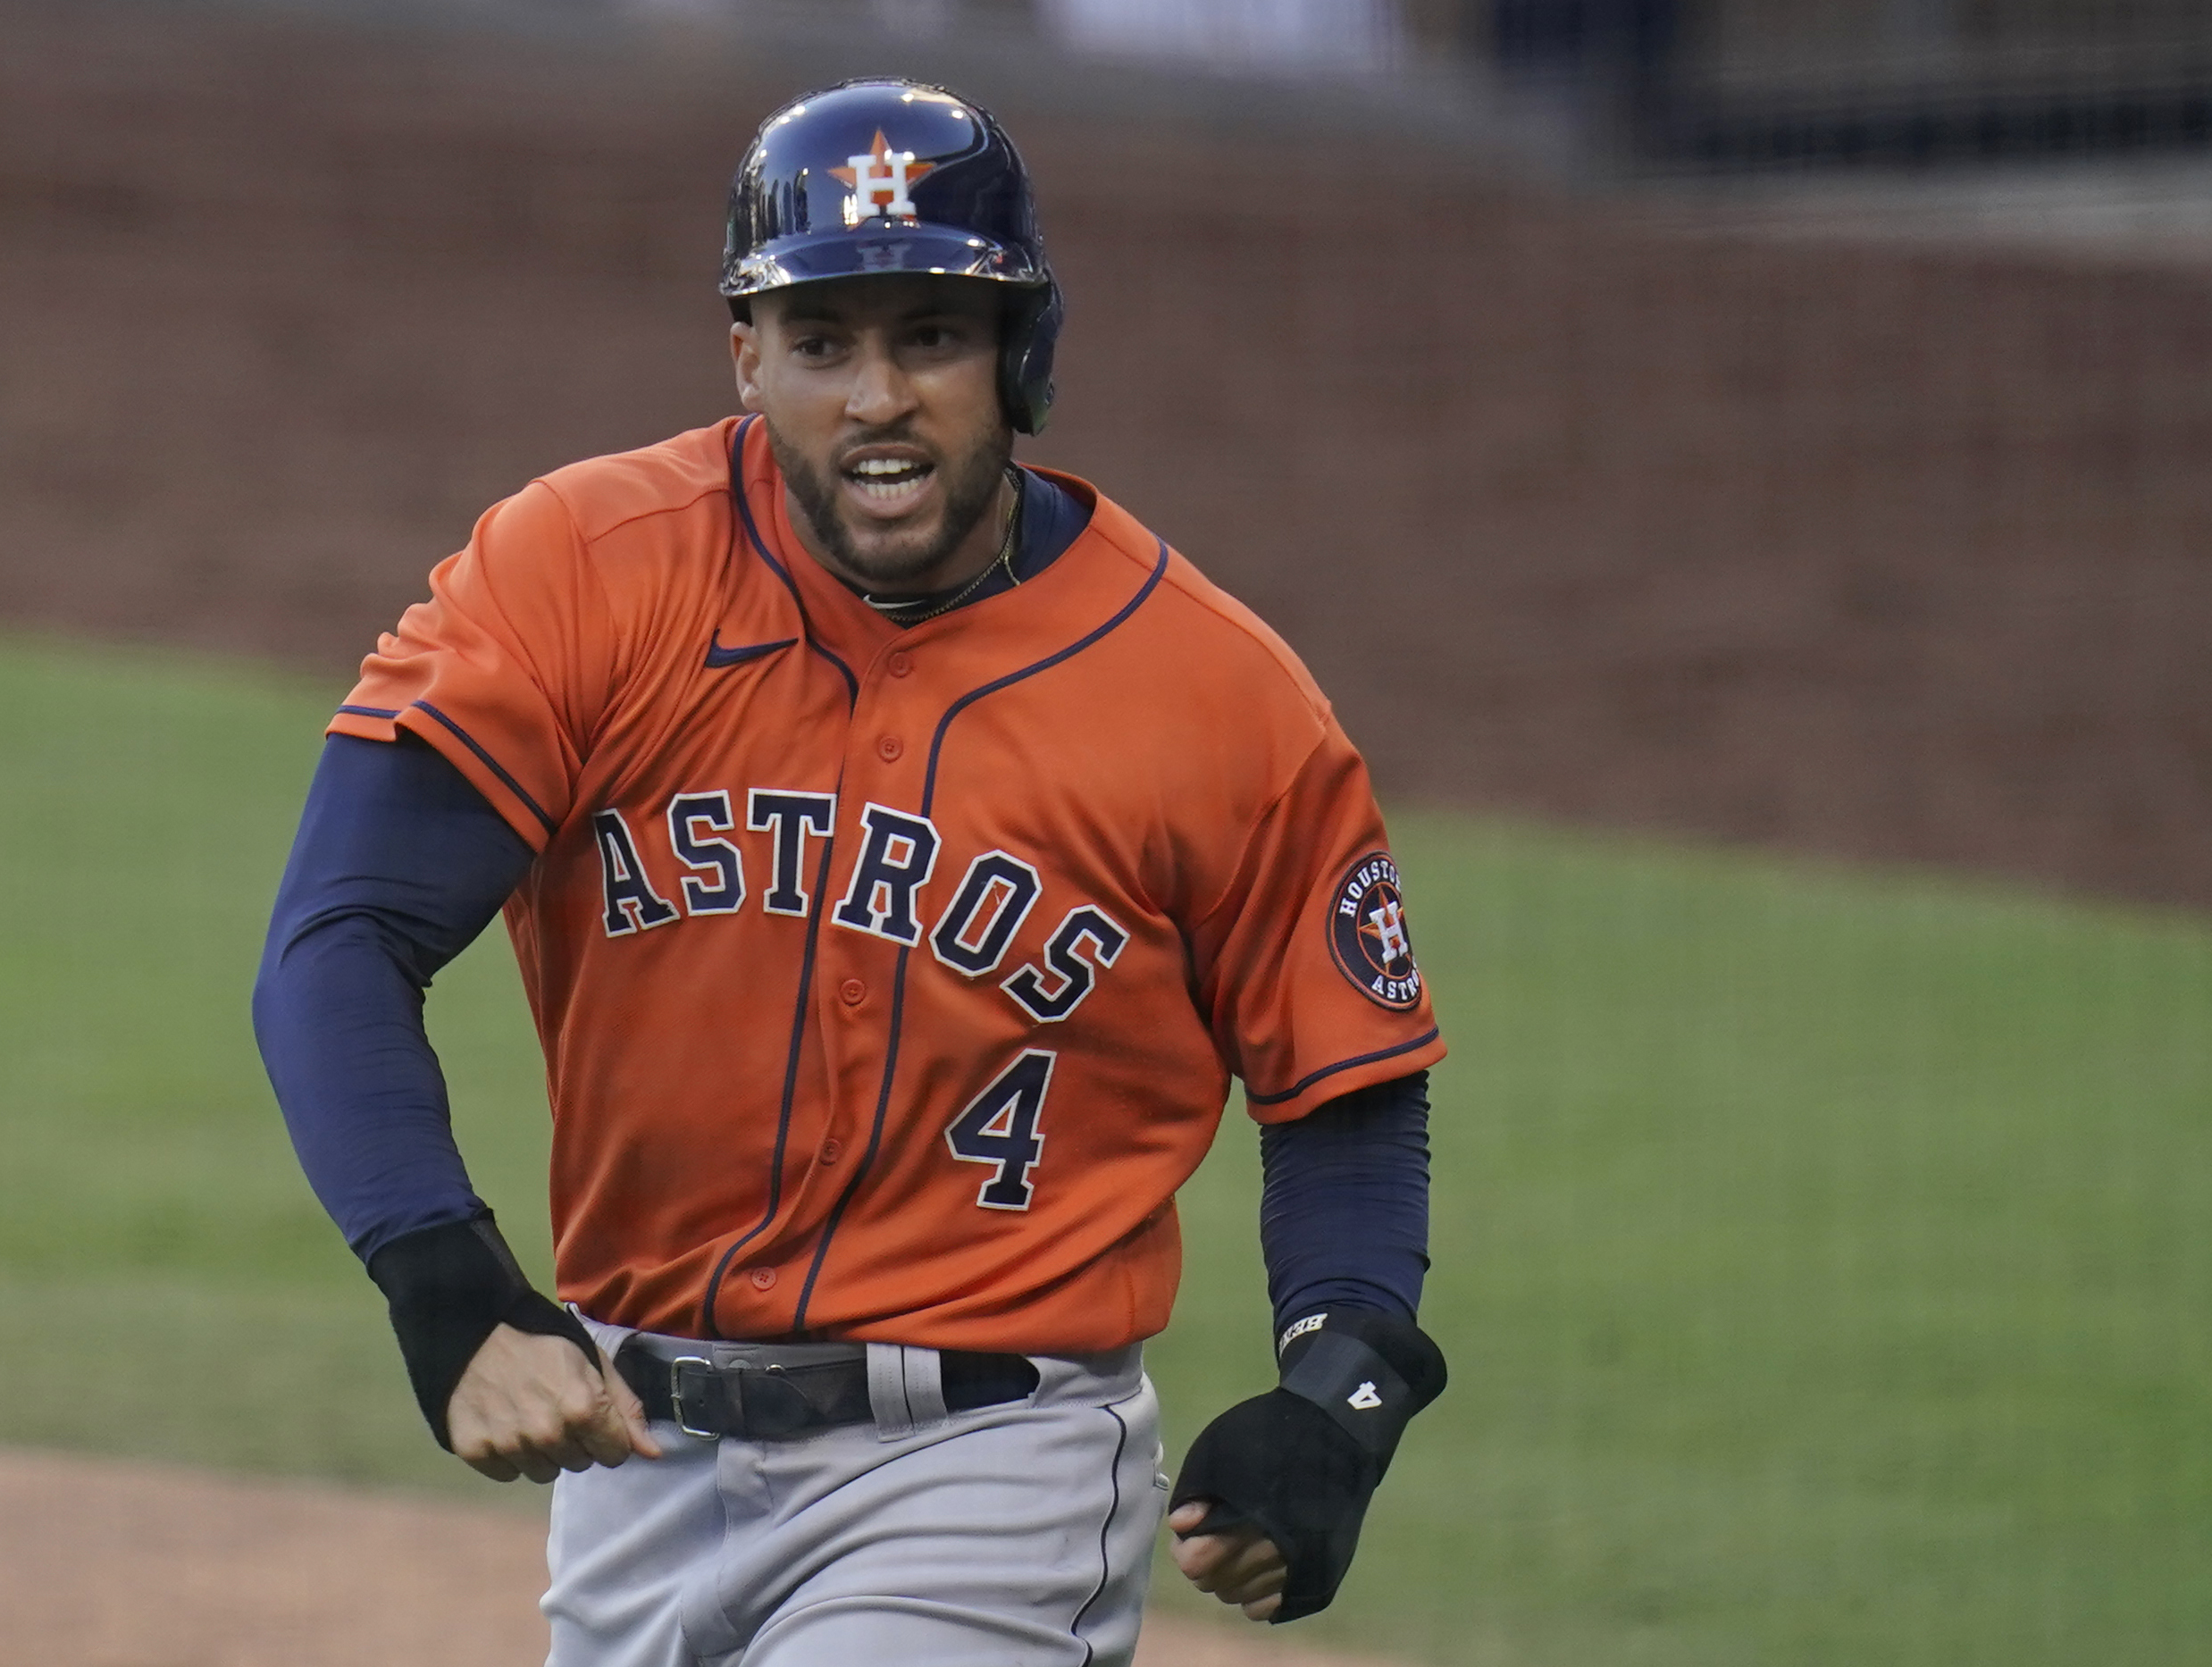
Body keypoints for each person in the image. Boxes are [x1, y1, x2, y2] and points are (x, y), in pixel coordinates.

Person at [255, 78, 1446, 1667]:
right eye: (823, 343)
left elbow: (1343, 1084)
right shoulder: (586, 573)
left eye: (930, 336)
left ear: (1022, 355)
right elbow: (341, 934)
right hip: (637, 1456)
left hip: (987, 1467)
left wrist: (1340, 1379)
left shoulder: (1215, 695)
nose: (875, 395)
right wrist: (445, 1282)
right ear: (747, 355)